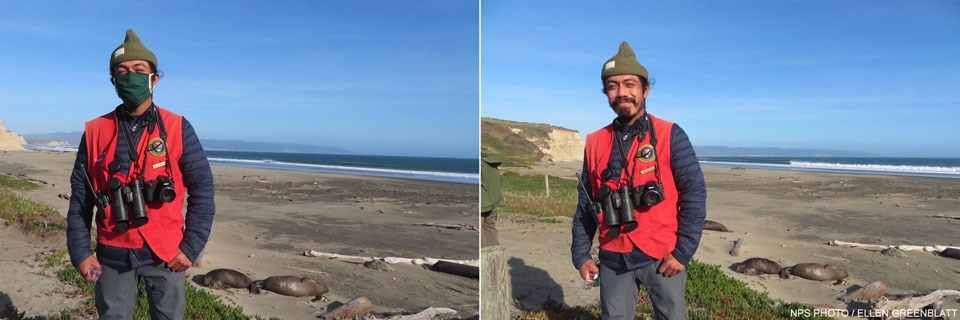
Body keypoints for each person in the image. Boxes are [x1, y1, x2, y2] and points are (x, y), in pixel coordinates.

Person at [65, 29, 215, 319]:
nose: (129, 76)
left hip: (167, 253)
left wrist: (191, 247)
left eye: (138, 70)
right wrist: (81, 252)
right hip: (112, 253)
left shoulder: (177, 127)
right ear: (113, 81)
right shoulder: (94, 131)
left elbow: (203, 190)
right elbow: (80, 198)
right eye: (121, 71)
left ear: (154, 78)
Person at [570, 41, 707, 320]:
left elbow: (694, 194)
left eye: (629, 84)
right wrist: (581, 254)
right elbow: (586, 202)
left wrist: (682, 252)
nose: (621, 93)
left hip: (661, 253)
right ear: (606, 93)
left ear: (645, 89)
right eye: (612, 86)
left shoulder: (670, 134)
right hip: (612, 254)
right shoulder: (595, 141)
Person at [480, 152, 504, 247]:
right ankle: (494, 255)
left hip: (484, 204)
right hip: (493, 201)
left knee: (483, 232)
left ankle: (485, 258)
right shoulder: (491, 163)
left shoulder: (481, 164)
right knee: (490, 228)